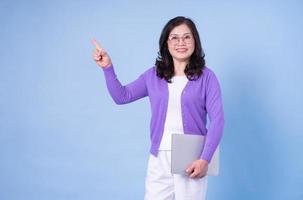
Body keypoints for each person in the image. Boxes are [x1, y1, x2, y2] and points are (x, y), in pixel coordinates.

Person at [92, 16, 224, 200]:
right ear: (166, 43)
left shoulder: (207, 77)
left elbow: (218, 121)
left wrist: (205, 159)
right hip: (159, 156)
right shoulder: (153, 76)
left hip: (192, 156)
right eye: (174, 38)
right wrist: (108, 68)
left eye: (187, 37)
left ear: (195, 41)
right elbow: (122, 96)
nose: (181, 43)